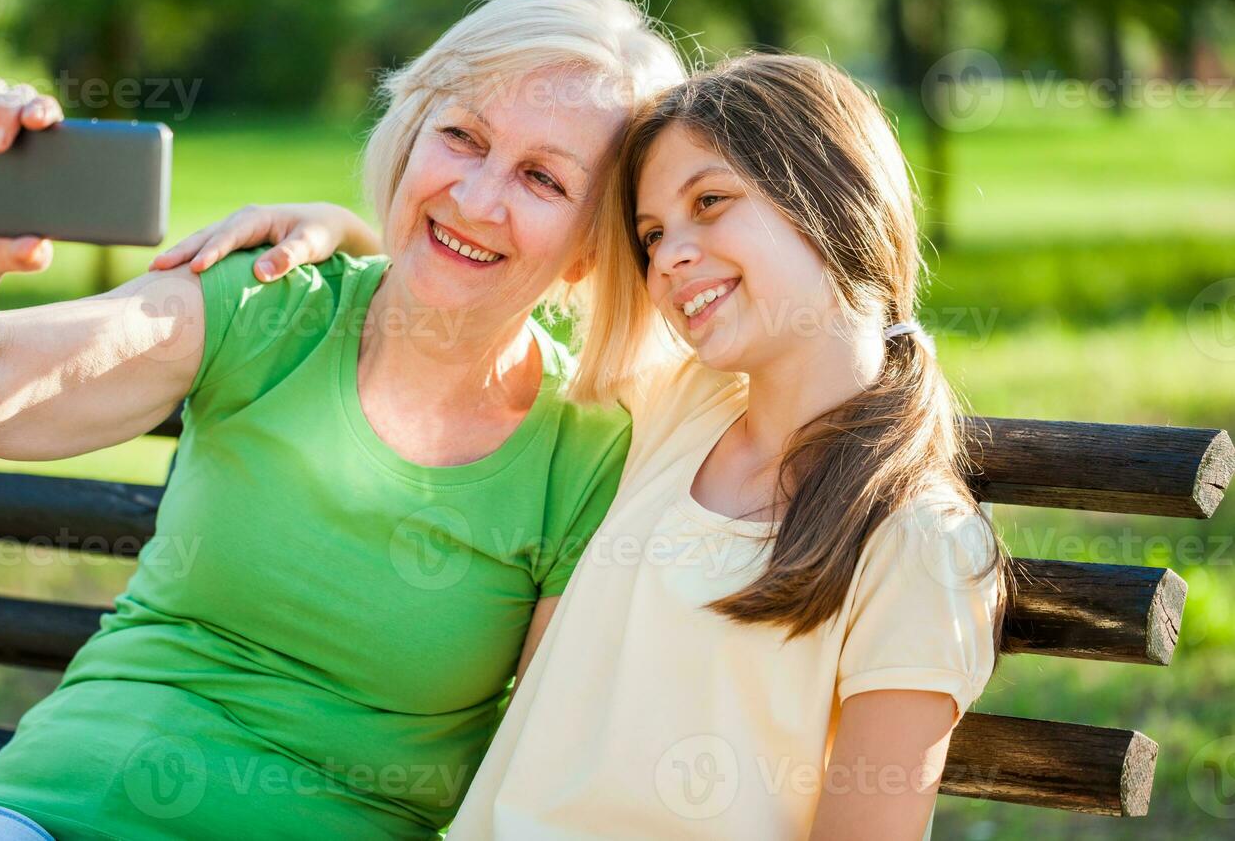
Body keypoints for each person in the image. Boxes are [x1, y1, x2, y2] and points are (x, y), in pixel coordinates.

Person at [0, 0, 687, 840]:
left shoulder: (587, 453)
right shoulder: (267, 301)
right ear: (412, 136)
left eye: (542, 179)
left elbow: (541, 762)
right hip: (60, 806)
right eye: (463, 136)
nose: (477, 197)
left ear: (593, 247)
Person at [179, 53, 1009, 840]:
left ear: (837, 196)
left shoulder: (919, 543)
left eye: (710, 202)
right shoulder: (676, 414)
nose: (673, 254)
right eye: (650, 235)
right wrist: (351, 237)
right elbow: (465, 311)